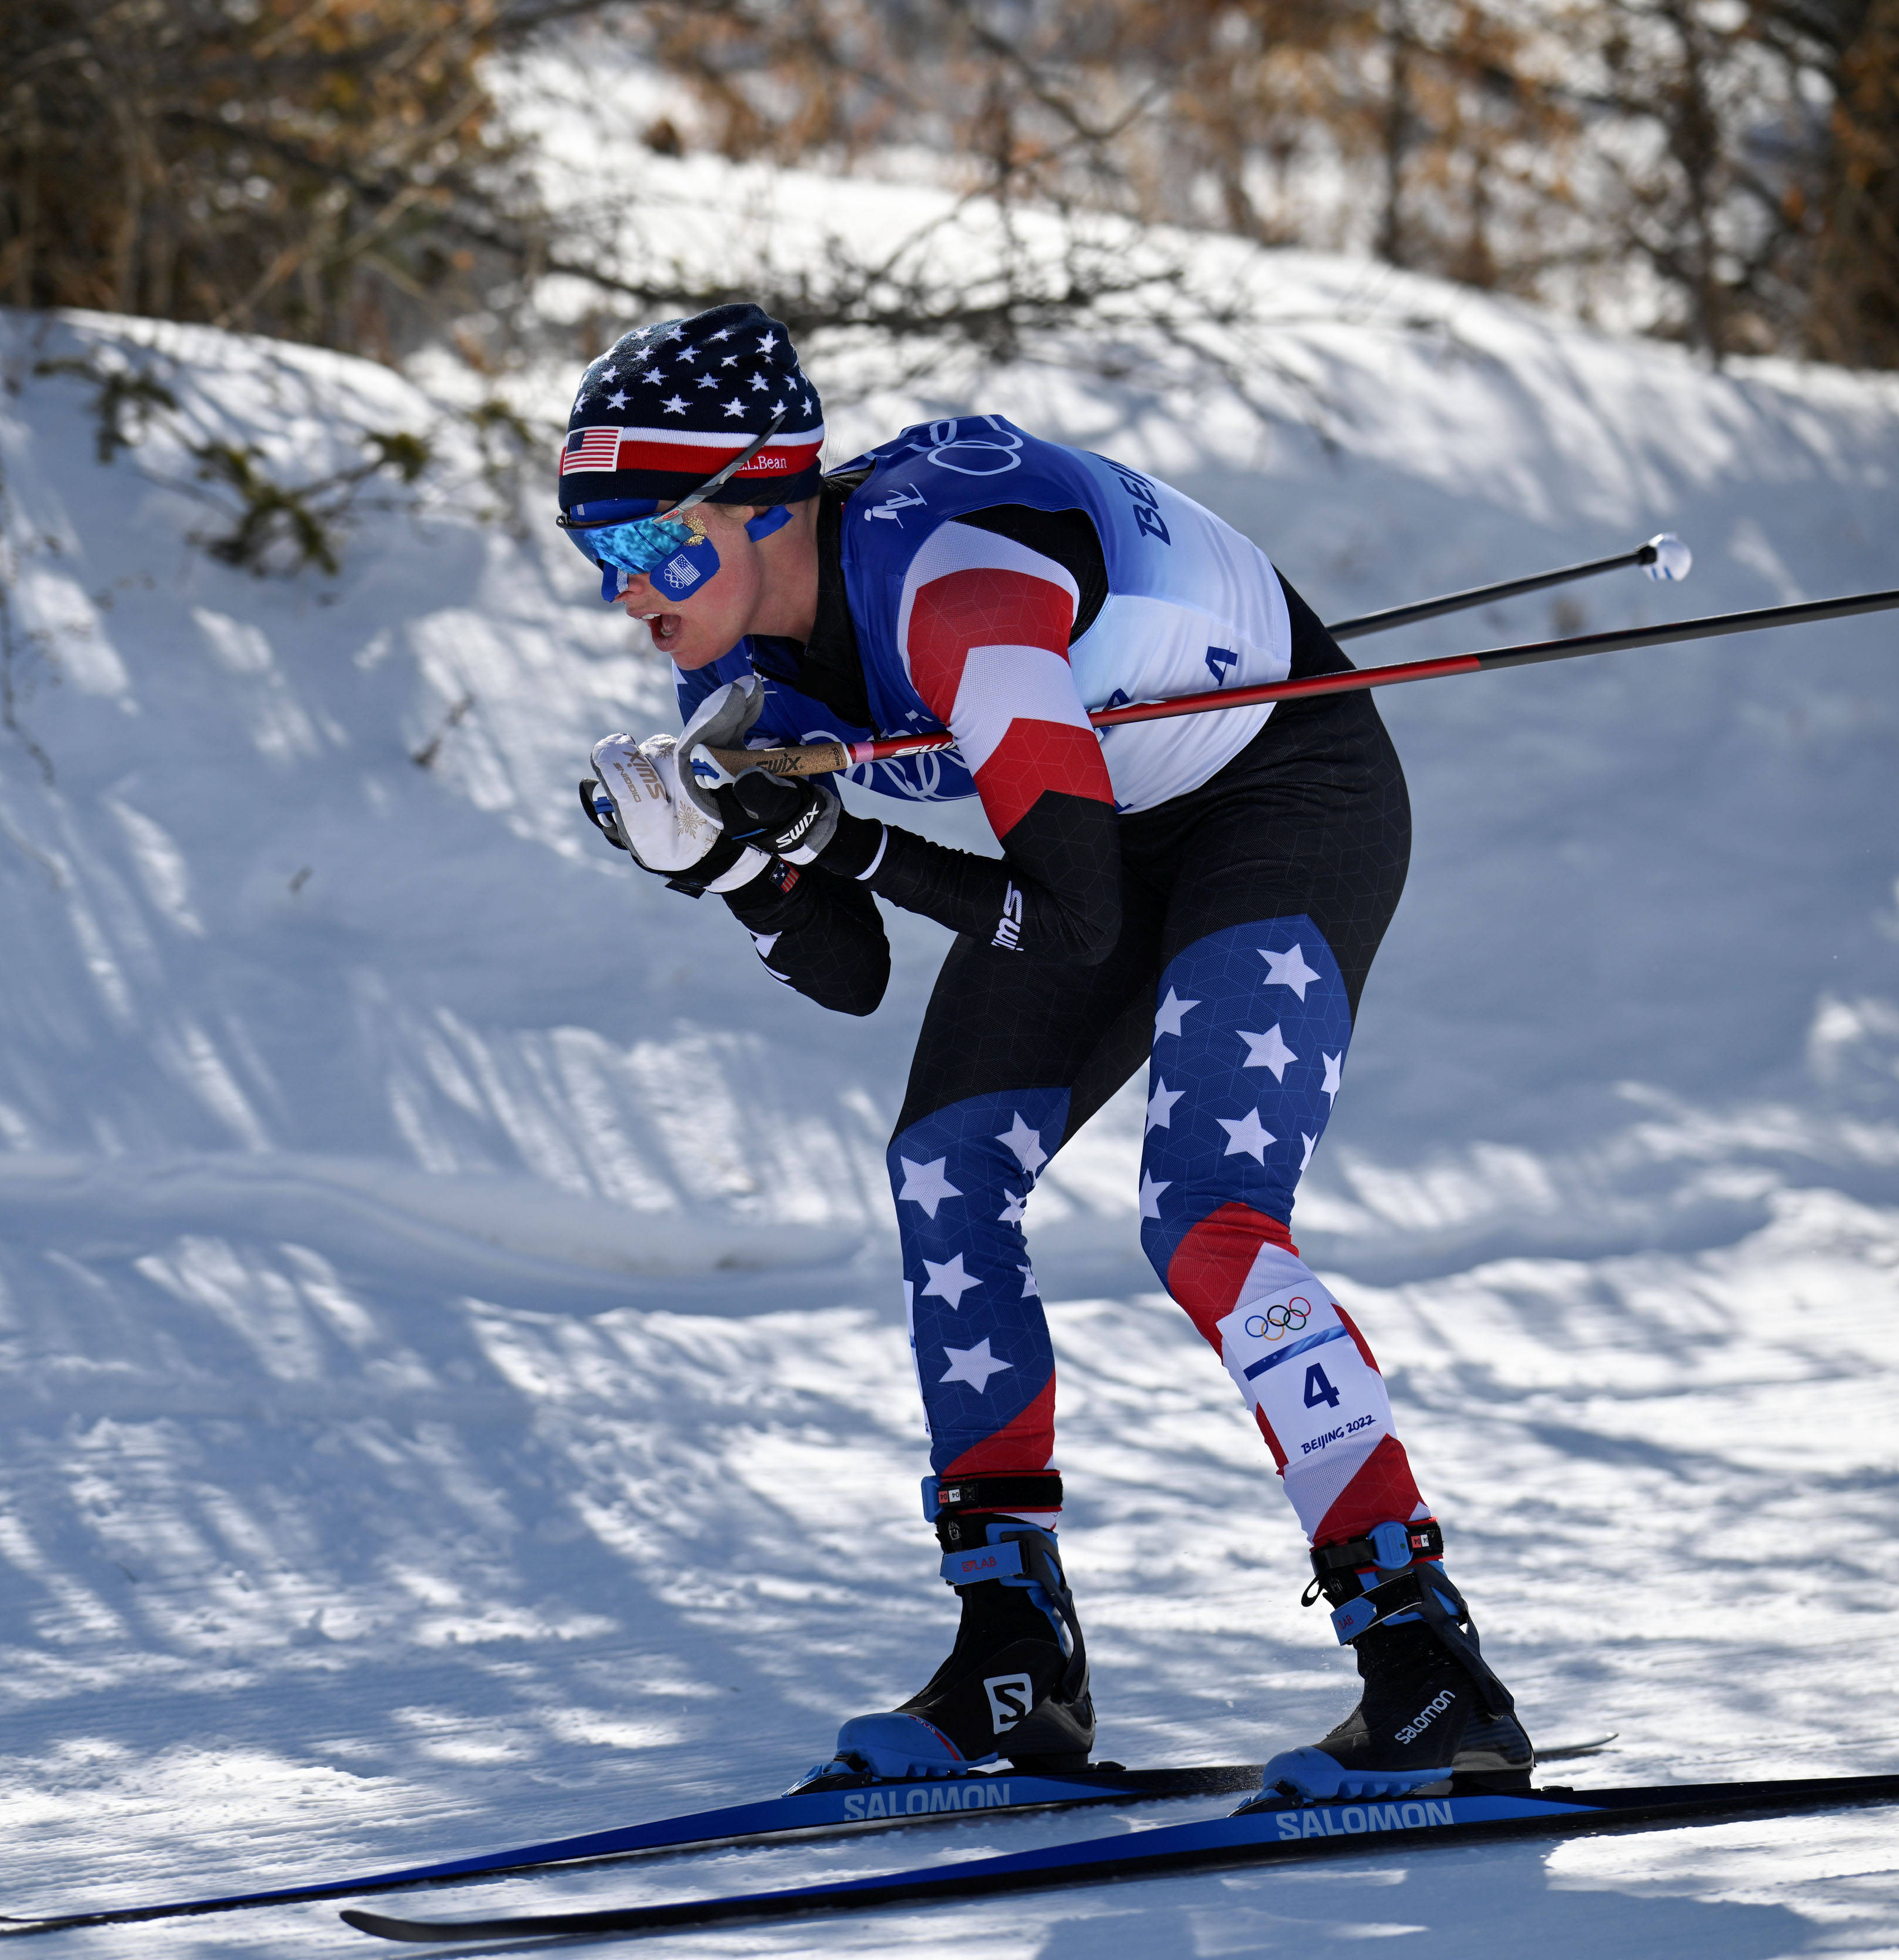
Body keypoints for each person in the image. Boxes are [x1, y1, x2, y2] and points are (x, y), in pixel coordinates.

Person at [563, 302, 1528, 1808]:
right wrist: (728, 867)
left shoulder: (954, 594)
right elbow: (853, 969)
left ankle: (1426, 1660)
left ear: (757, 500)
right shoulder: (743, 662)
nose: (624, 597)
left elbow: (1068, 922)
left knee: (1204, 1211)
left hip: (1282, 794)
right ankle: (1015, 1658)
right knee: (942, 1164)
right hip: (1110, 824)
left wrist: (829, 829)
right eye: (595, 559)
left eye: (643, 549)